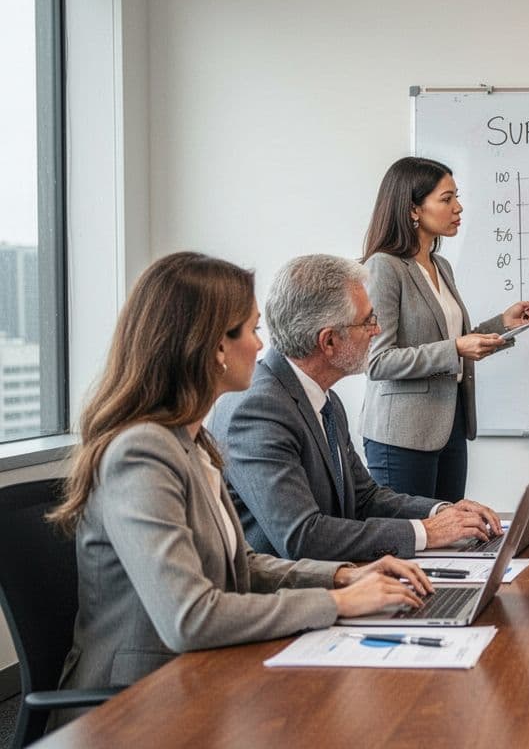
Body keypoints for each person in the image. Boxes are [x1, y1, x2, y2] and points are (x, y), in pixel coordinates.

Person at [48, 252, 432, 712]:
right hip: (136, 703)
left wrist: (344, 575)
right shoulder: (141, 452)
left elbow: (242, 567)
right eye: (252, 330)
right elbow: (190, 617)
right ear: (213, 346)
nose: (261, 345)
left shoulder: (190, 440)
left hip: (197, 673)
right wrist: (340, 603)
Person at [208, 254, 504, 562]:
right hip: (290, 594)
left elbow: (365, 498)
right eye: (368, 321)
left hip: (339, 579)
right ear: (329, 341)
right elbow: (303, 536)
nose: (377, 331)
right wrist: (427, 532)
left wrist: (443, 511)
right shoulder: (257, 410)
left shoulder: (325, 399)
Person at [360, 157, 529, 503]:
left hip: (450, 427)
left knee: (450, 542)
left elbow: (448, 337)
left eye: (456, 197)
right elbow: (377, 362)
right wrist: (456, 348)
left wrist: (503, 324)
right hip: (402, 436)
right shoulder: (384, 267)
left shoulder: (439, 265)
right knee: (413, 543)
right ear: (413, 209)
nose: (458, 208)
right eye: (446, 199)